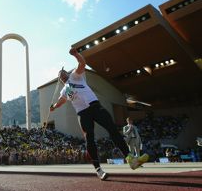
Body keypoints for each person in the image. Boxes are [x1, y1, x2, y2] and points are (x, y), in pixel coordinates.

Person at [50, 47, 149, 180]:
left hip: (95, 107)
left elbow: (82, 64)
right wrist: (54, 107)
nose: (62, 76)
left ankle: (131, 159)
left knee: (113, 129)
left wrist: (76, 54)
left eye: (63, 73)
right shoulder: (64, 91)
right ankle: (98, 169)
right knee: (89, 139)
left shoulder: (75, 76)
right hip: (83, 114)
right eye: (60, 76)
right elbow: (61, 101)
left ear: (67, 74)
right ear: (60, 80)